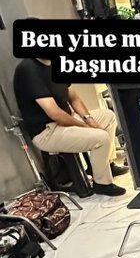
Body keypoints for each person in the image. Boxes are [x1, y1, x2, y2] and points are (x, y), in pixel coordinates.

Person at [13, 58, 127, 197]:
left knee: (107, 116)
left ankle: (104, 167)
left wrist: (89, 119)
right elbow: (55, 114)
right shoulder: (28, 69)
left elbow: (74, 98)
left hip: (68, 120)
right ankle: (102, 184)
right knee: (101, 138)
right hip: (47, 132)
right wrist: (85, 126)